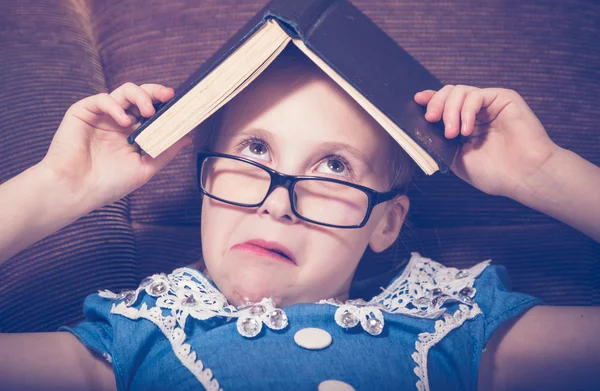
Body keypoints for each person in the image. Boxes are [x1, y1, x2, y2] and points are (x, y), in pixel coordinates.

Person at [1, 47, 599, 391]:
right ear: (204, 187)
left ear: (386, 223)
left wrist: (543, 173)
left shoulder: (453, 325)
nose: (276, 202)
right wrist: (58, 187)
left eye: (335, 167)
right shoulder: (134, 338)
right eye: (254, 152)